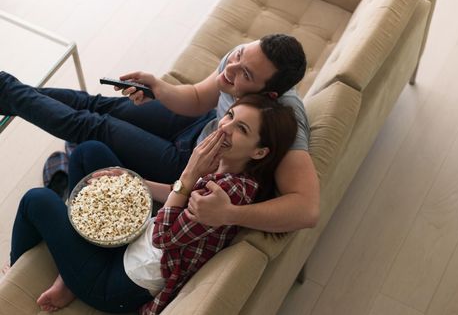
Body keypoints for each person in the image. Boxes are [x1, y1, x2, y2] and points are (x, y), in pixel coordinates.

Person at [0, 33, 319, 232]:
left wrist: (231, 213)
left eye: (244, 74)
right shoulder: (240, 62)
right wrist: (159, 88)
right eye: (237, 56)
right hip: (199, 125)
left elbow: (306, 209)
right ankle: (7, 95)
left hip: (190, 165)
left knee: (93, 126)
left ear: (270, 96)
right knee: (99, 105)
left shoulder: (286, 118)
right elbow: (197, 98)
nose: (229, 71)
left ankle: (5, 87)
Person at [9, 94, 298, 314]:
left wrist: (190, 172)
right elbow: (177, 199)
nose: (224, 128)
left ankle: (15, 275)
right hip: (137, 238)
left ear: (260, 152)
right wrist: (136, 181)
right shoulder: (230, 167)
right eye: (230, 115)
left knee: (38, 200)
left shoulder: (227, 194)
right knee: (90, 153)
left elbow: (162, 236)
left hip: (118, 285)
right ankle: (79, 257)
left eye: (241, 129)